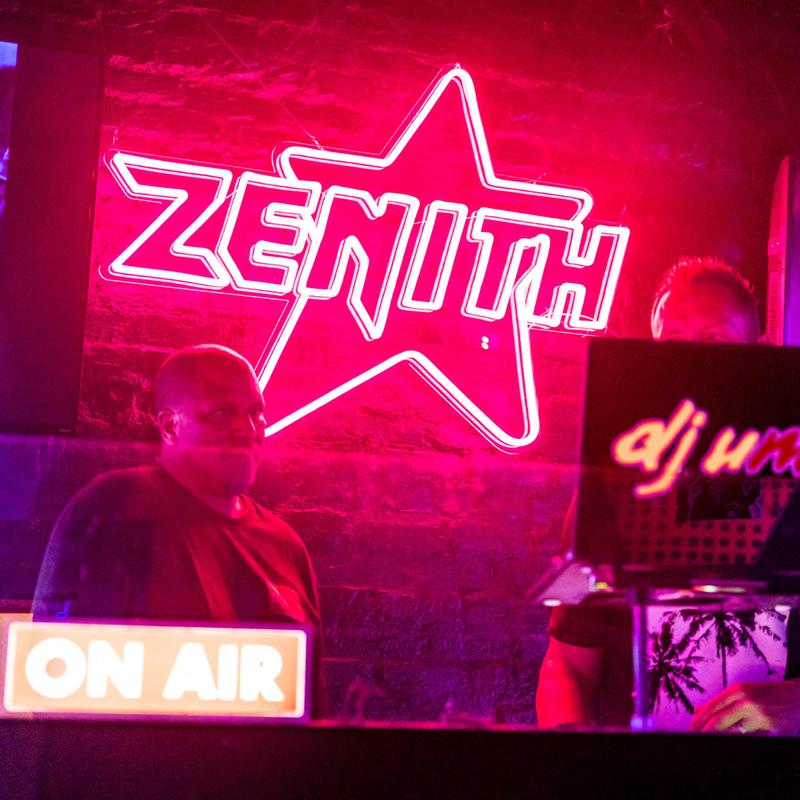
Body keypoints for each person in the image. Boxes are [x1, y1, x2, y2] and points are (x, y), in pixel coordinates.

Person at [536, 257, 800, 734]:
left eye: (714, 340)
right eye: (673, 343)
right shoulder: (616, 488)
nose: (692, 359)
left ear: (759, 351)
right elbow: (568, 666)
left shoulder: (793, 477)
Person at [33, 344, 323, 707]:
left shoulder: (284, 544)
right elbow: (62, 678)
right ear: (170, 426)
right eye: (222, 413)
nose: (248, 429)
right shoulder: (117, 506)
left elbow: (312, 703)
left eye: (256, 412)